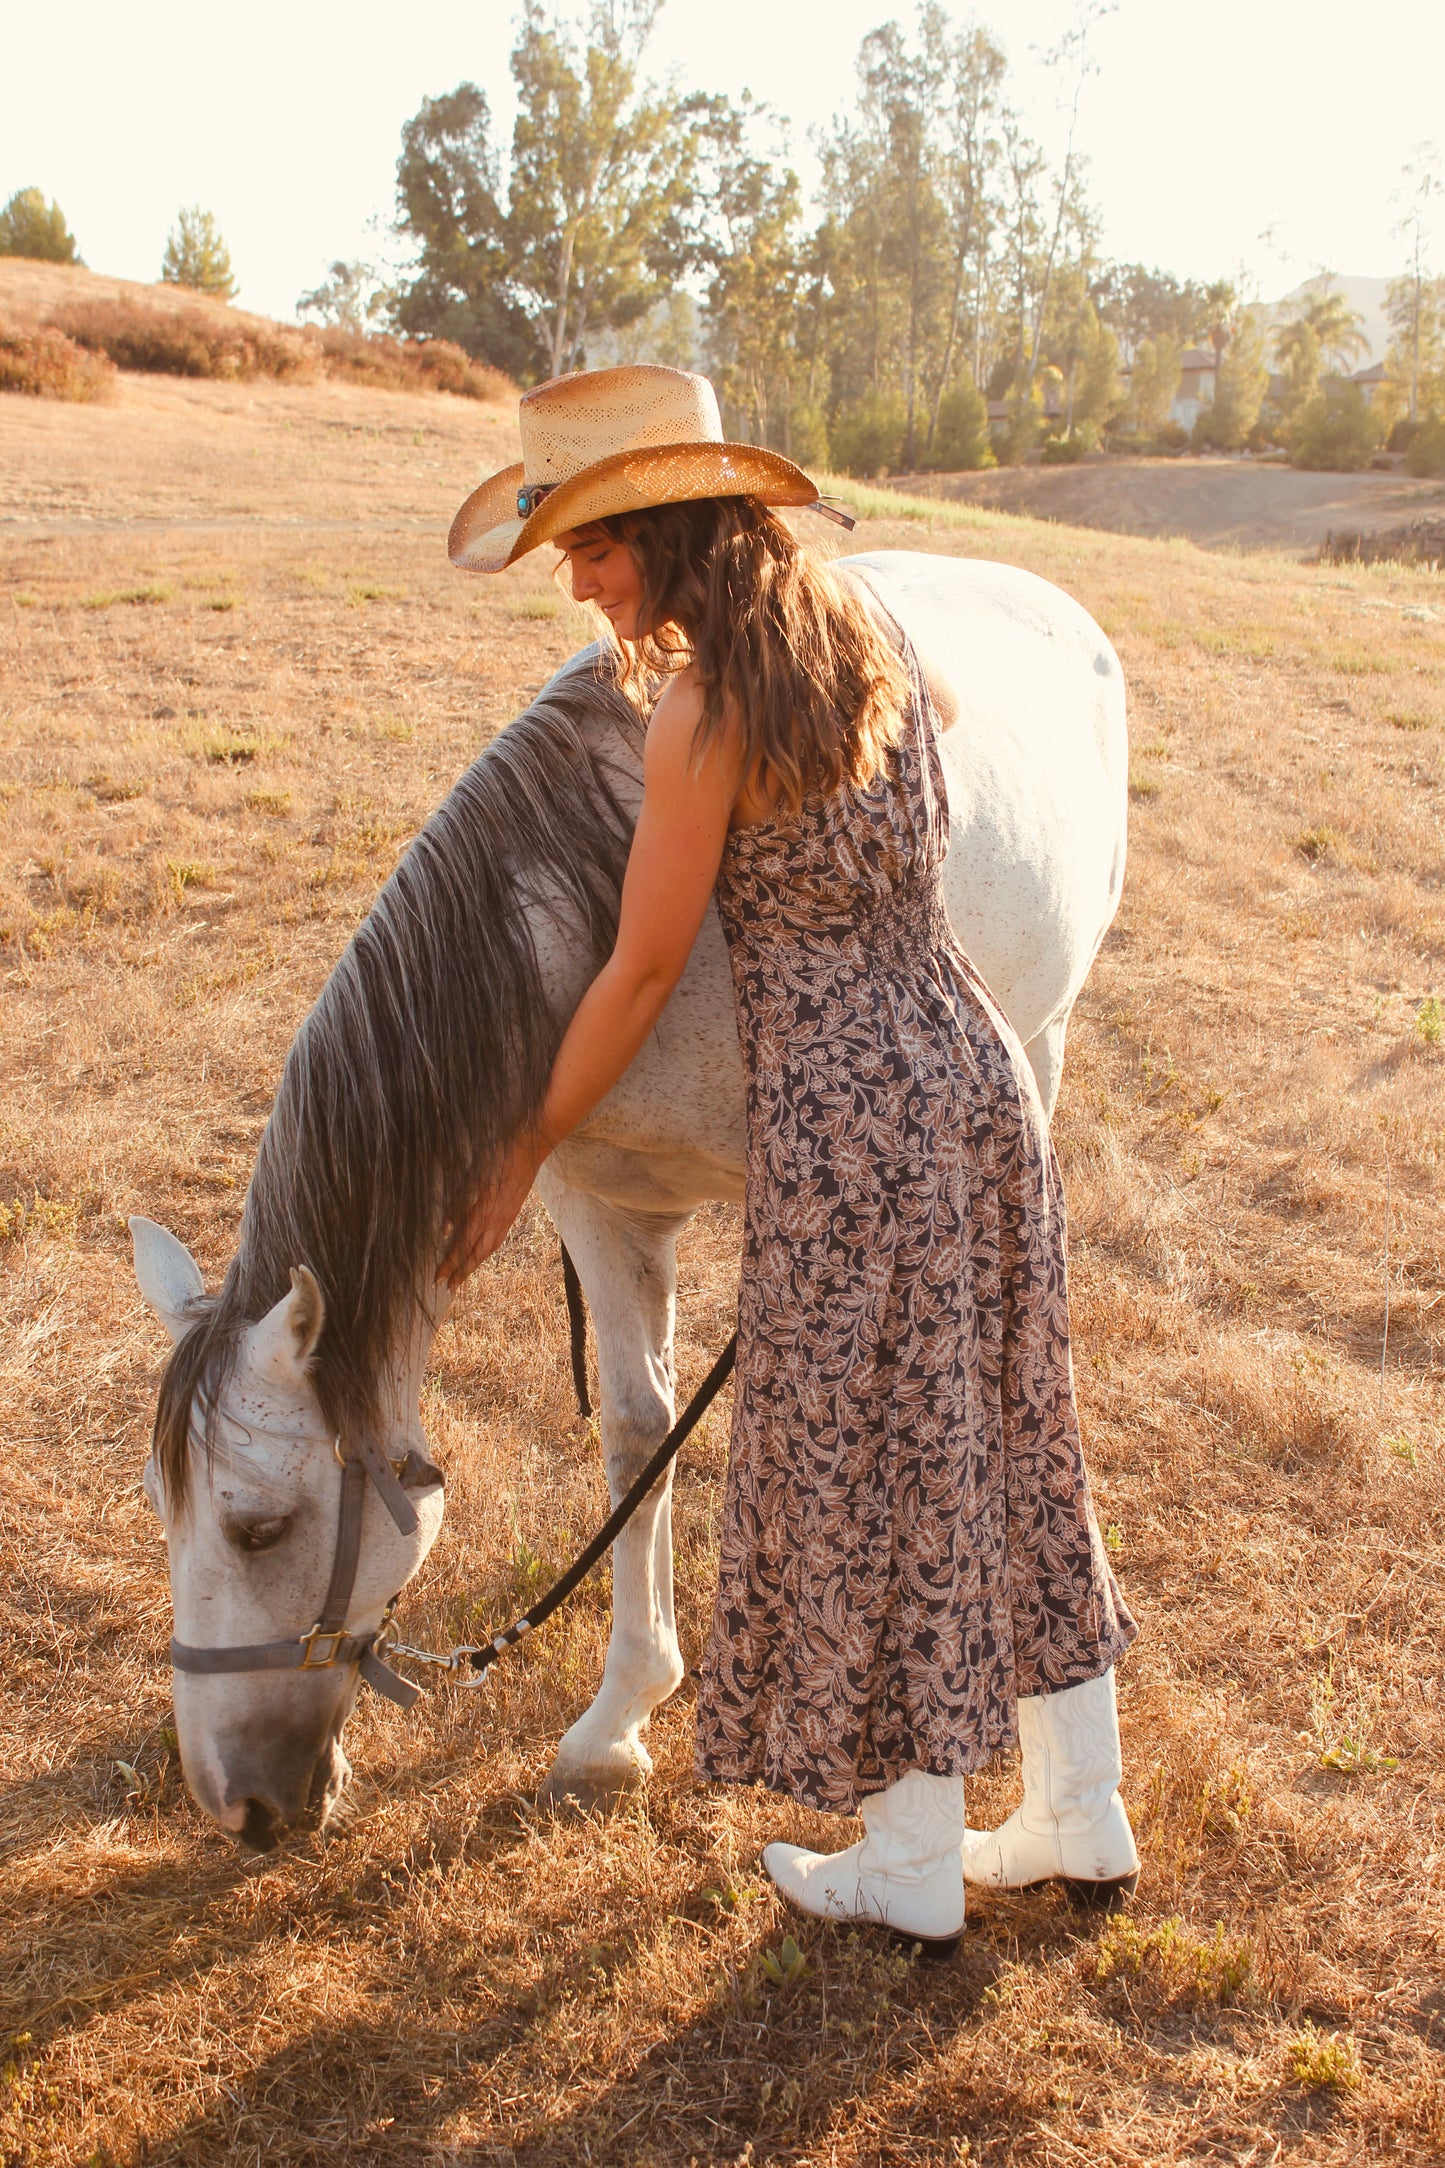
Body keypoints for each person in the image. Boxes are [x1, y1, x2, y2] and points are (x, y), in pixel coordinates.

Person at [444, 364, 1138, 1953]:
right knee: (1012, 1424)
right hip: (971, 1071)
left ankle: (906, 1855)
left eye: (594, 547)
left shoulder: (702, 709)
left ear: (666, 527)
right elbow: (948, 724)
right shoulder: (868, 631)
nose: (576, 580)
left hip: (844, 1117)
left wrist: (520, 1147)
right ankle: (1077, 1811)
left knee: (861, 1475)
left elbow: (636, 972)